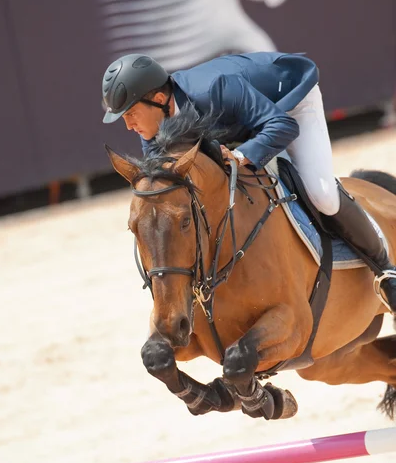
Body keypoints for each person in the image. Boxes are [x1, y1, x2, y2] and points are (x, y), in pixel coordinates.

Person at [101, 52, 396, 311]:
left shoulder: (214, 88)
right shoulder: (152, 132)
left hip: (288, 103)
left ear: (160, 98)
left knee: (322, 196)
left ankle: (387, 270)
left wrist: (243, 155)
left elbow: (281, 125)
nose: (128, 125)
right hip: (238, 124)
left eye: (131, 114)